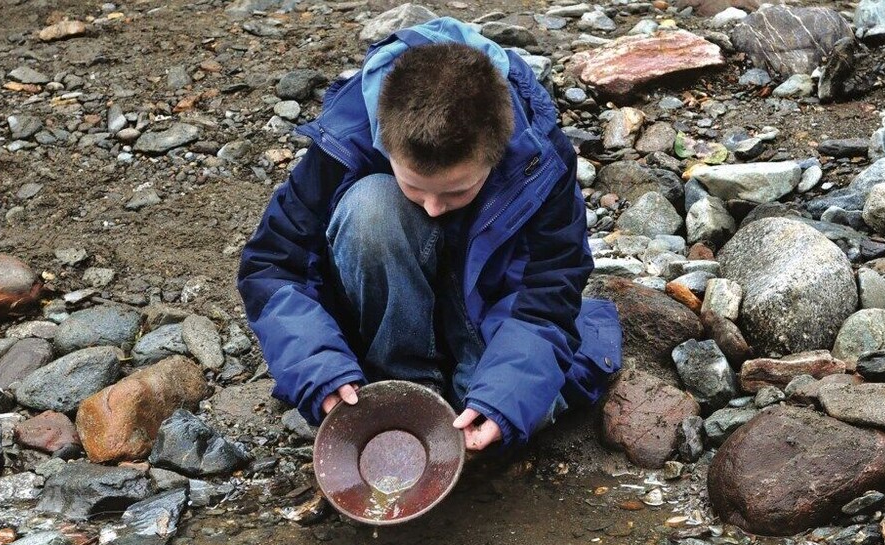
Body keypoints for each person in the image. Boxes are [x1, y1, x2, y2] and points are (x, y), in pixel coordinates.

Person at [237, 17, 622, 452]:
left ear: (494, 155)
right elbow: (272, 267)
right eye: (415, 186)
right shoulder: (348, 138)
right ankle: (402, 388)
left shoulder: (540, 158)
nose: (434, 207)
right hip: (380, 319)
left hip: (489, 324)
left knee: (516, 412)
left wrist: (503, 397)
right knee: (370, 208)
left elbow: (550, 290)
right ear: (386, 141)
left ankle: (467, 394)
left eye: (457, 191)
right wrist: (320, 371)